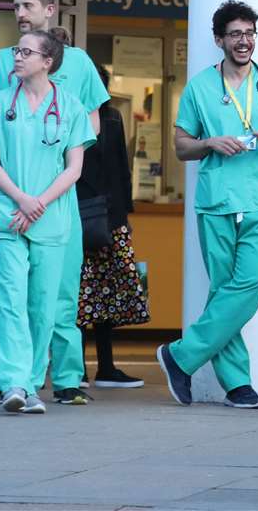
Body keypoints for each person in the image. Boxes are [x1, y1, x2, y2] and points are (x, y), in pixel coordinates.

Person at [157, 0, 258, 409]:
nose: (244, 41)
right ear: (220, 39)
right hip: (217, 201)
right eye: (236, 34)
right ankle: (238, 385)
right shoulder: (200, 87)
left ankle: (180, 356)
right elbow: (181, 146)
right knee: (224, 290)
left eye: (250, 33)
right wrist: (210, 143)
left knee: (248, 287)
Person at [0, 0, 110, 406]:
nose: (20, 12)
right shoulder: (3, 73)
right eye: (15, 4)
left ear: (50, 10)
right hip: (11, 200)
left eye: (28, 5)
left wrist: (43, 193)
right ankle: (16, 382)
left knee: (54, 296)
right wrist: (21, 196)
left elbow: (89, 130)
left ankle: (62, 377)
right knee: (11, 299)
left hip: (57, 199)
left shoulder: (77, 70)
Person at [77, 65, 149, 389]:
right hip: (77, 213)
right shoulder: (70, 114)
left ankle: (105, 366)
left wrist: (124, 216)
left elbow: (122, 168)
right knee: (80, 293)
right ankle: (75, 368)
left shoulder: (112, 118)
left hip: (108, 215)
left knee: (109, 291)